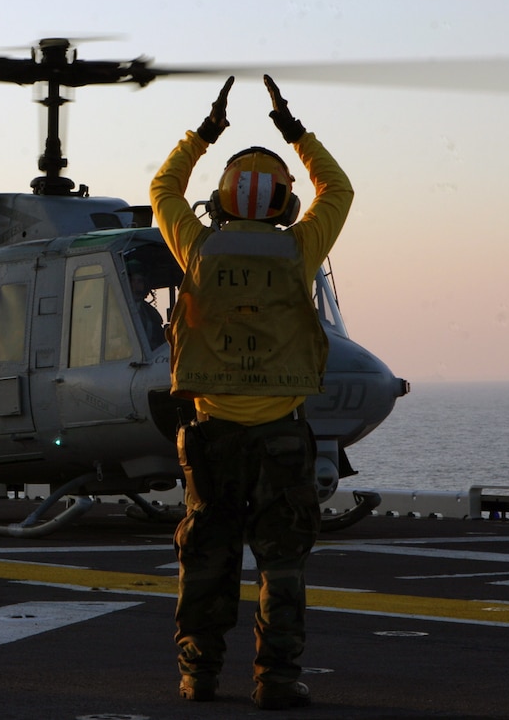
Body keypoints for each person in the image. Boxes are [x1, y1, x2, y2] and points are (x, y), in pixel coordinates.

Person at [149, 75, 354, 711]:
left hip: (212, 434)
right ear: (287, 206)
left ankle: (199, 674)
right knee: (282, 561)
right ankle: (278, 679)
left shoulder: (199, 246)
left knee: (206, 553)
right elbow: (338, 189)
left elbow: (164, 188)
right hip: (281, 434)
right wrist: (294, 130)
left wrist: (205, 132)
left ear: (223, 199)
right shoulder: (300, 249)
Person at [127, 260, 166, 350]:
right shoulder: (117, 309)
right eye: (133, 281)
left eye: (140, 281)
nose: (135, 285)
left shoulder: (150, 311)